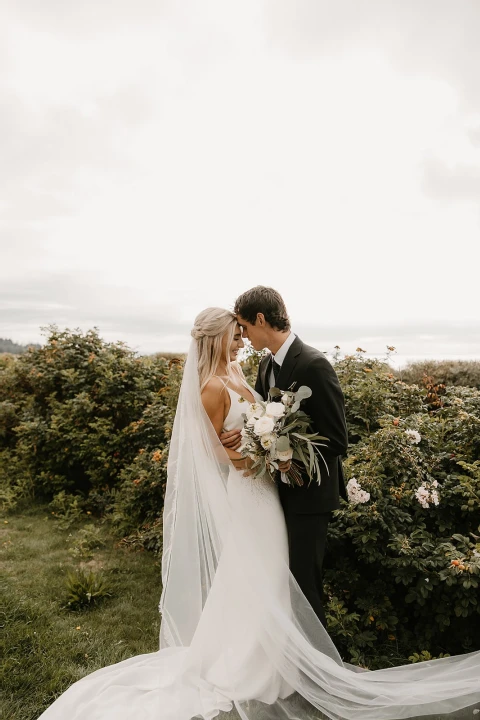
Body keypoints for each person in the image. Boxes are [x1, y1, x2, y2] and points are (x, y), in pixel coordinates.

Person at [36, 307, 480, 720]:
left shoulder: (240, 371)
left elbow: (264, 421)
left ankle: (276, 659)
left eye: (242, 333)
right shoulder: (210, 386)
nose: (240, 343)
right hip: (249, 491)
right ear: (217, 339)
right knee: (258, 571)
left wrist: (269, 445)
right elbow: (207, 449)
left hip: (269, 489)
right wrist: (247, 456)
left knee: (266, 574)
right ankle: (250, 663)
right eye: (235, 336)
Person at [221, 286, 348, 626]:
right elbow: (262, 418)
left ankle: (317, 675)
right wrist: (246, 435)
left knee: (305, 586)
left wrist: (287, 455)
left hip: (310, 495)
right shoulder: (266, 366)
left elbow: (337, 440)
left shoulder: (314, 365)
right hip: (277, 493)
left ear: (261, 319)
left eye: (245, 328)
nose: (243, 337)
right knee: (281, 583)